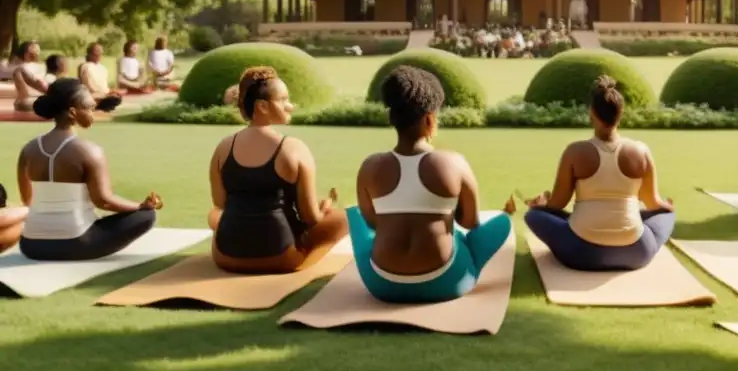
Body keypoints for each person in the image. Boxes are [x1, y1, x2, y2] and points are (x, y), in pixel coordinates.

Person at [348, 65, 511, 303]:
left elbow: (372, 223)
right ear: (429, 119)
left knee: (354, 216)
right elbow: (470, 222)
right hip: (446, 282)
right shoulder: (454, 162)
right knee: (502, 222)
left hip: (382, 284)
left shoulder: (370, 166)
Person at [521, 76, 676, 271]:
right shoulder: (641, 151)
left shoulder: (575, 152)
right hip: (636, 252)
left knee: (533, 215)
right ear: (621, 113)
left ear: (591, 113)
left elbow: (558, 203)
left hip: (581, 253)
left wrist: (542, 205)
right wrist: (667, 207)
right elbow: (653, 202)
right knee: (667, 215)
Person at [208, 66, 348, 274]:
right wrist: (323, 208)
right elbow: (310, 218)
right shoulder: (294, 148)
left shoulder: (222, 148)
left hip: (225, 257)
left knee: (213, 215)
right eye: (283, 100)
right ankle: (302, 257)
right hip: (281, 258)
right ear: (262, 106)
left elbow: (220, 203)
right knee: (344, 218)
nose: (290, 106)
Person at [16, 78, 160, 261]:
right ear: (72, 112)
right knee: (147, 216)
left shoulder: (29, 149)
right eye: (90, 109)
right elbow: (104, 201)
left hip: (31, 245)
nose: (93, 114)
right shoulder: (89, 151)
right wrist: (141, 206)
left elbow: (27, 200)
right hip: (75, 243)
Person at [12, 41, 48, 113]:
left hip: (24, 102)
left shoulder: (39, 67)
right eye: (34, 50)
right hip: (30, 102)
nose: (37, 52)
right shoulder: (22, 68)